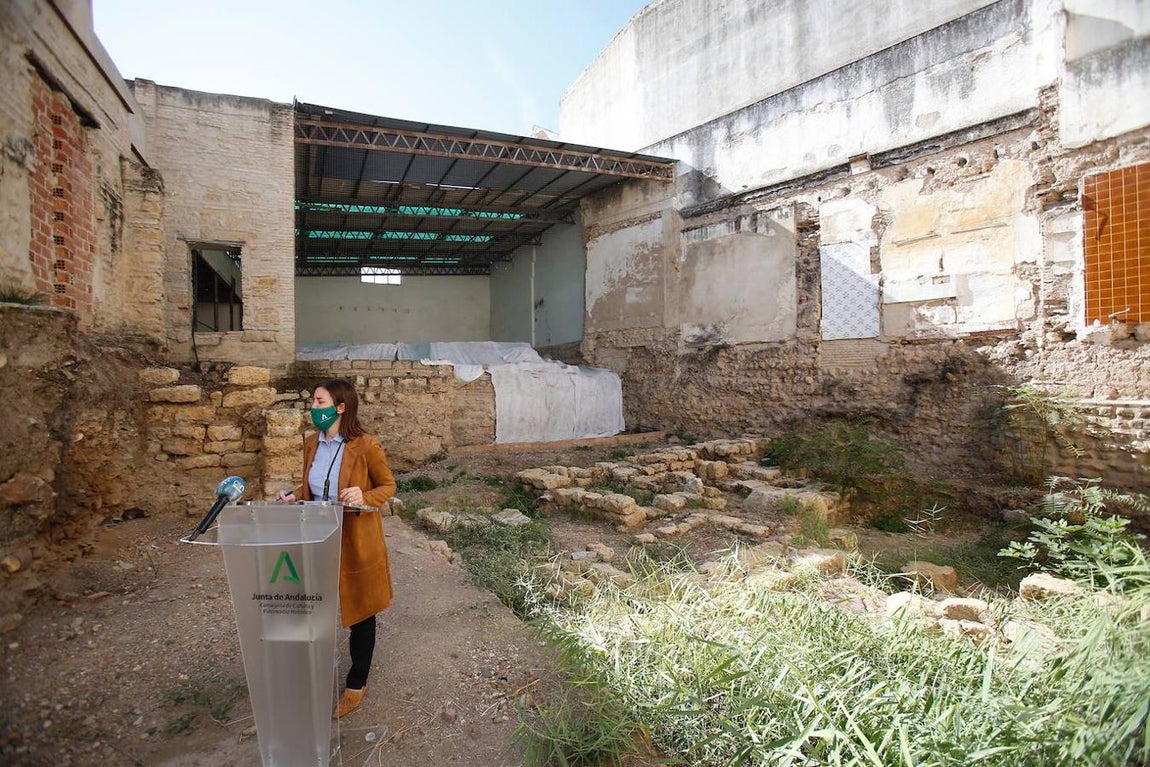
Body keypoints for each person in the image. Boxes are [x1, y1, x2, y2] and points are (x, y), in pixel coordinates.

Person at [276, 378, 397, 718]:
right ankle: (310, 673)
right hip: (319, 538)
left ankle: (356, 684)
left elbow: (388, 486)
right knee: (315, 605)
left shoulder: (366, 445)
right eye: (314, 402)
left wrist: (363, 495)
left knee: (361, 612)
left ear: (340, 407)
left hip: (356, 541)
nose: (313, 408)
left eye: (319, 402)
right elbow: (312, 488)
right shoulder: (311, 444)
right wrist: (294, 495)